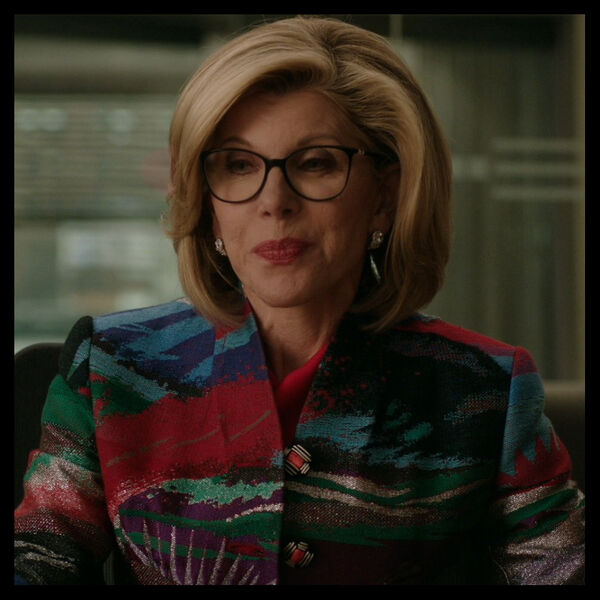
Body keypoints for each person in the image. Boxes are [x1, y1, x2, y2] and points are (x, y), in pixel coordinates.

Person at [14, 16, 584, 585]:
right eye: (239, 166)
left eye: (315, 163)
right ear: (208, 202)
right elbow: (38, 562)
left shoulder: (485, 388)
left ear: (385, 197)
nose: (274, 201)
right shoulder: (112, 365)